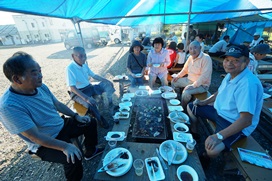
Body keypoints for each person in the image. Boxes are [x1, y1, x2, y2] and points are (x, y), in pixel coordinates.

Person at [0, 52, 104, 181]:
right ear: (17, 79)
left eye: (40, 71)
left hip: (60, 124)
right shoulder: (9, 106)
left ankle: (90, 151)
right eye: (34, 73)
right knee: (73, 157)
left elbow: (57, 104)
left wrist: (75, 116)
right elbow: (35, 137)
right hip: (43, 143)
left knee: (90, 122)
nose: (40, 76)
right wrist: (65, 146)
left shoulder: (41, 87)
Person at [187, 44, 263, 161]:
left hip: (233, 122)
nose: (229, 63)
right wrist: (205, 102)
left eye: (236, 60)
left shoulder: (248, 84)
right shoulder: (230, 74)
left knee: (212, 150)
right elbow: (219, 92)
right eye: (227, 59)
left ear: (246, 62)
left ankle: (205, 158)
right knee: (192, 107)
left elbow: (246, 120)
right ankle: (195, 131)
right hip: (219, 112)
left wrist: (219, 136)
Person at [66, 47, 115, 129]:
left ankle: (111, 105)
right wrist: (86, 98)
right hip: (78, 92)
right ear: (73, 56)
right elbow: (72, 87)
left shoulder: (84, 65)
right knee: (91, 103)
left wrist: (106, 80)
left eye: (85, 56)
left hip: (89, 87)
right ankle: (100, 120)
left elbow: (94, 75)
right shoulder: (70, 68)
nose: (83, 58)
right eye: (80, 56)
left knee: (107, 85)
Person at [171, 41, 212, 109]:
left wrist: (193, 85)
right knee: (174, 81)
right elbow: (185, 70)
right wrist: (178, 76)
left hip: (202, 85)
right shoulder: (190, 57)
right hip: (189, 80)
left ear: (200, 48)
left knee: (186, 92)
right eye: (190, 48)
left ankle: (182, 108)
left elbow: (204, 76)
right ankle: (177, 99)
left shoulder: (206, 58)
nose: (193, 50)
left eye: (195, 48)